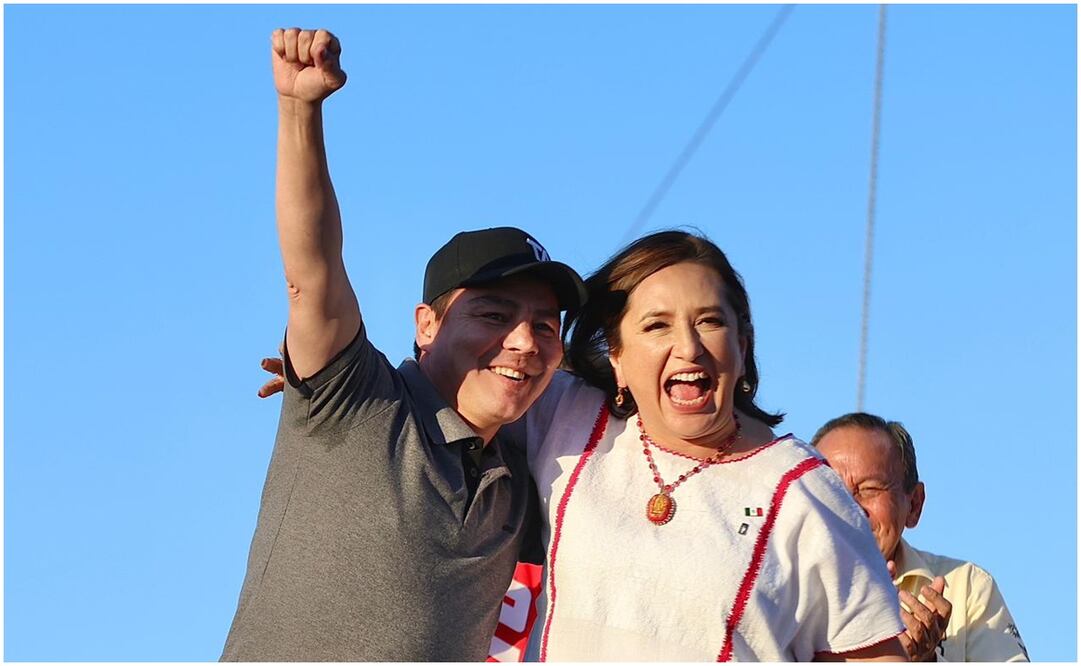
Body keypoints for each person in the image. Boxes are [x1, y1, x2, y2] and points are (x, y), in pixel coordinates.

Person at [222, 28, 585, 661]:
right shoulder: (357, 402)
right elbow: (312, 271)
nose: (524, 342)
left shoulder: (524, 483)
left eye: (546, 326)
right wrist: (299, 109)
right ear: (426, 324)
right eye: (494, 314)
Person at [516, 232, 907, 660]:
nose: (689, 348)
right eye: (657, 325)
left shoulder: (803, 489)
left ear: (742, 345)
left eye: (710, 322)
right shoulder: (565, 415)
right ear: (617, 355)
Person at [813, 413, 1029, 662]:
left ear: (914, 504)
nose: (849, 508)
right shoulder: (782, 592)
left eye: (869, 489)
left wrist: (927, 660)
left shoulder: (966, 587)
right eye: (830, 490)